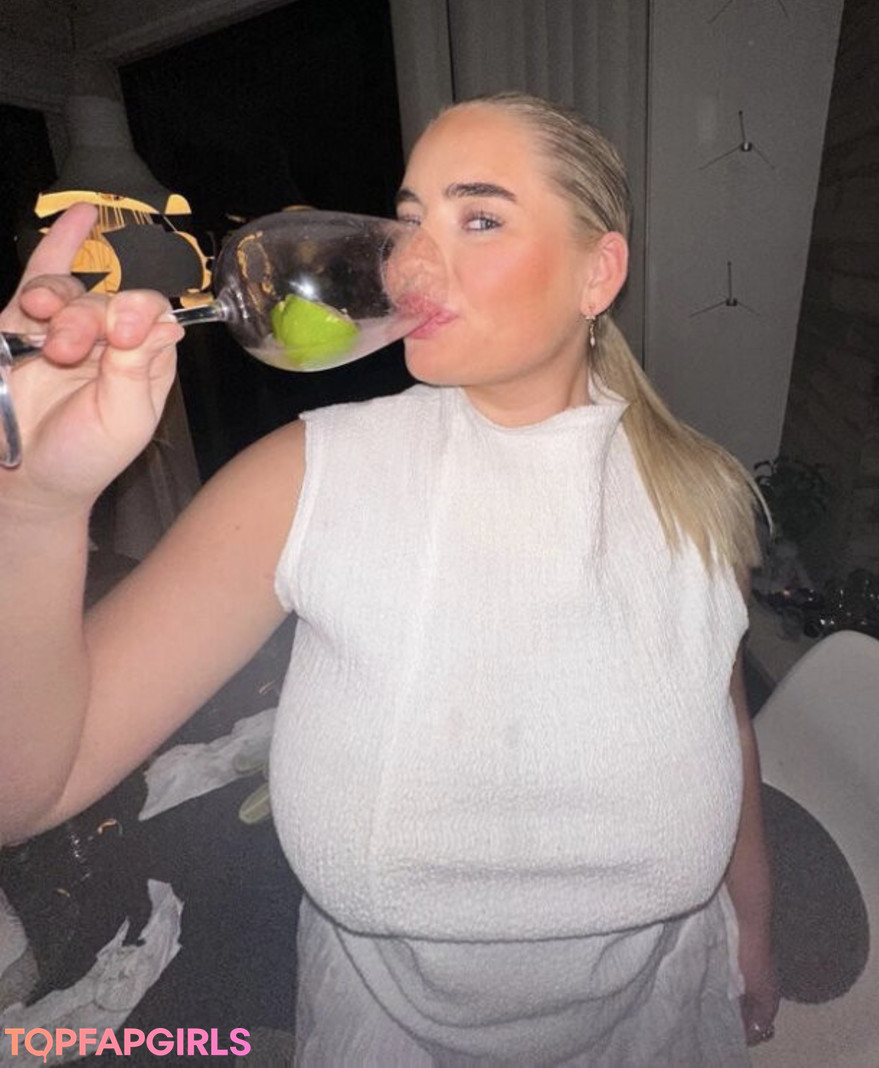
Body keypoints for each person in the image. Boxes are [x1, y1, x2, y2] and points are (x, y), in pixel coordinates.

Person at [0, 93, 778, 1064]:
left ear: (598, 271)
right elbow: (29, 789)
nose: (410, 263)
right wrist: (35, 505)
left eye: (479, 218)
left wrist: (753, 926)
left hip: (656, 1018)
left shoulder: (698, 495)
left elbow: (727, 724)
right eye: (408, 221)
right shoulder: (305, 479)